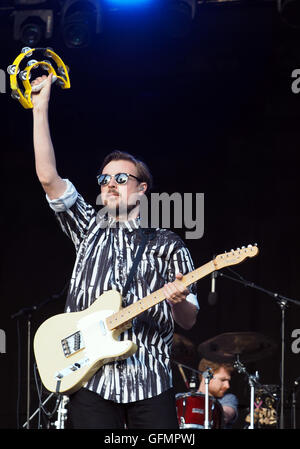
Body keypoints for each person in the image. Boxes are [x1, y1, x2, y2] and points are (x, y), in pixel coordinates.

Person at [31, 74, 199, 429]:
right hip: (91, 378)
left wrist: (177, 299)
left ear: (141, 190)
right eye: (104, 179)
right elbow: (48, 176)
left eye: (121, 179)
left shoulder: (168, 243)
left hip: (150, 378)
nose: (110, 183)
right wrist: (40, 107)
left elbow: (189, 318)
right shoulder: (89, 227)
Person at [197, 357, 238, 428]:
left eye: (228, 381)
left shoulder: (228, 398)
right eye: (223, 380)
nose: (227, 386)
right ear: (206, 376)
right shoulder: (181, 398)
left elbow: (224, 415)